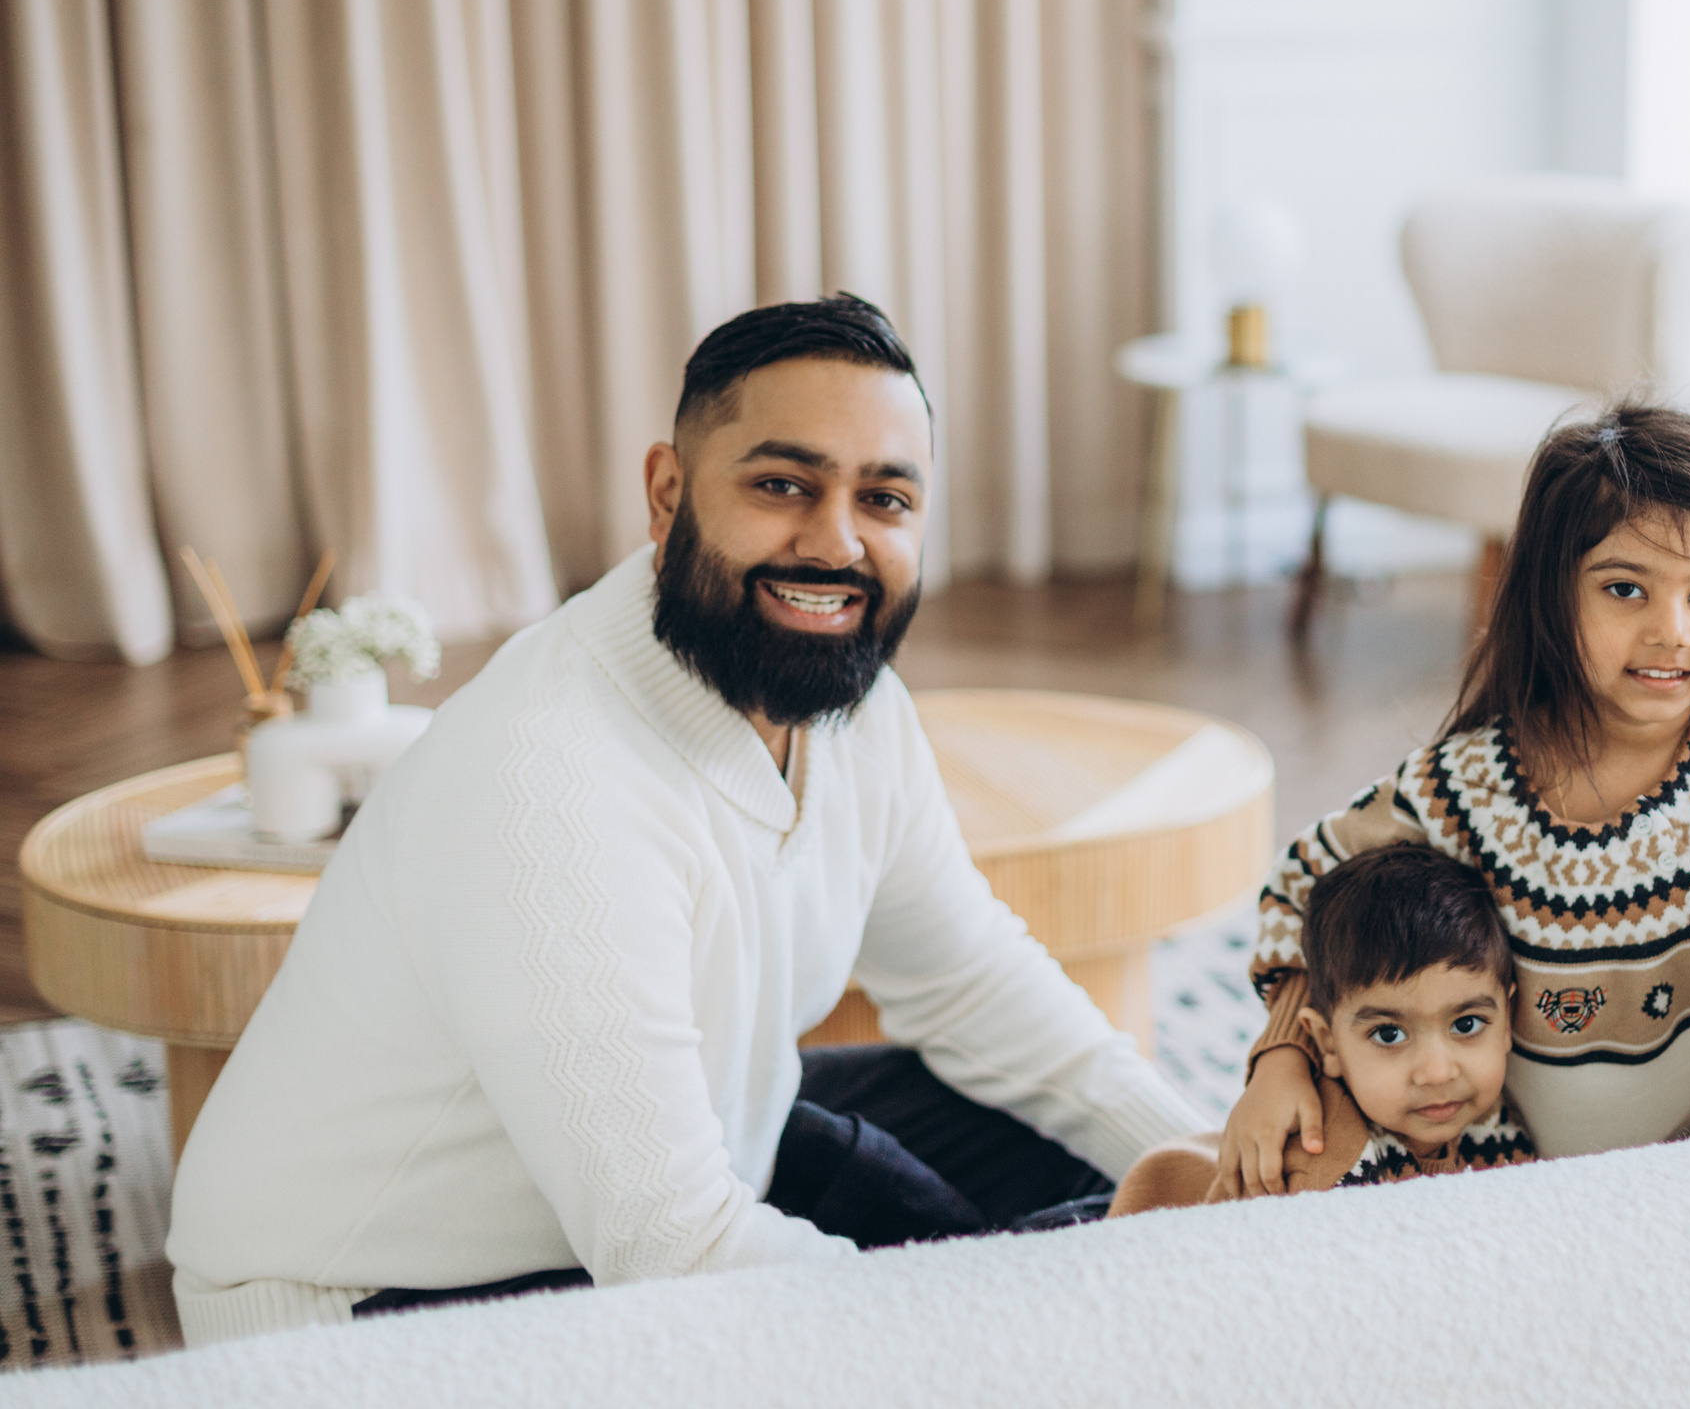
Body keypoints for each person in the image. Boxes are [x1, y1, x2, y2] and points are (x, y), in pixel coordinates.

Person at [167, 296, 1208, 1344]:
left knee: (1083, 1153)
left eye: (883, 499)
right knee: (1049, 1284)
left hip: (648, 1189)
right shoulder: (548, 781)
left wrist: (1221, 1171)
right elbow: (674, 1250)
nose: (835, 541)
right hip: (364, 1321)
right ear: (667, 493)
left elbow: (972, 982)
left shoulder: (851, 714)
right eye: (781, 485)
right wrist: (994, 1327)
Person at [1218, 404, 1690, 1196]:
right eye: (1626, 589)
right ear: (1552, 594)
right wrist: (1282, 1058)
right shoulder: (1457, 791)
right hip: (1497, 1179)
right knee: (1279, 1167)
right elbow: (1308, 893)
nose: (1671, 631)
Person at [1110, 844, 1533, 1214]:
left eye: (1466, 1024)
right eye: (1389, 1035)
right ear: (1326, 1043)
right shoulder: (1323, 1171)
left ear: (1508, 1015)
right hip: (1150, 1221)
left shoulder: (1503, 1123)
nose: (1438, 1072)